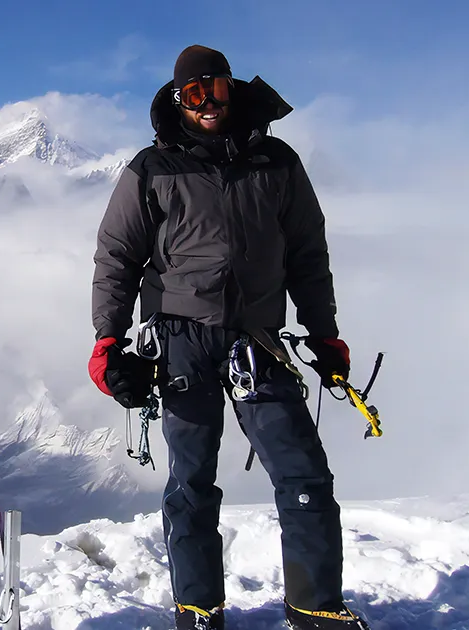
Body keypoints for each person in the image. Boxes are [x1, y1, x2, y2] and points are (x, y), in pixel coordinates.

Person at [87, 45, 371, 630]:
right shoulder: (152, 168)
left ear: (232, 89)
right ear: (177, 100)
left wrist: (326, 334)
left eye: (216, 89)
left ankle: (315, 608)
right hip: (181, 339)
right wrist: (107, 341)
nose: (208, 104)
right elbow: (117, 256)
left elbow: (307, 256)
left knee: (304, 475)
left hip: (257, 340)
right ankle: (198, 609)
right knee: (191, 481)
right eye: (194, 94)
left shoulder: (277, 162)